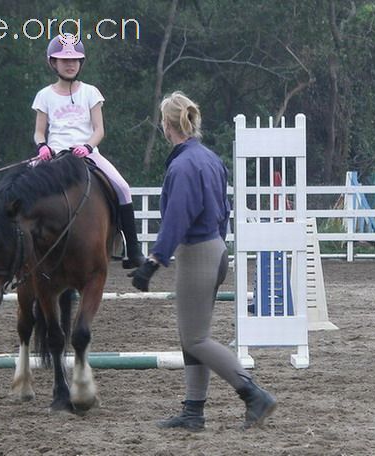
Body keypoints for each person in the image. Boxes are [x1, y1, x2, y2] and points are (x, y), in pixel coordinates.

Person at [129, 91, 277, 431]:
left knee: (196, 338)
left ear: (167, 125)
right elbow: (222, 210)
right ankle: (193, 412)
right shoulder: (209, 158)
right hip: (216, 248)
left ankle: (254, 394)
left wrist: (154, 260)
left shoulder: (182, 166)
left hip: (196, 253)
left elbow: (177, 218)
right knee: (191, 336)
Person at [31, 33, 144, 269]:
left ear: (81, 63)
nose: (70, 64)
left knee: (123, 187)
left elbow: (99, 129)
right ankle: (23, 246)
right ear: (53, 62)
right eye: (64, 60)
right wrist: (42, 147)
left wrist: (87, 146)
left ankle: (132, 250)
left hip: (87, 153)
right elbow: (39, 131)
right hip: (55, 156)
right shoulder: (44, 95)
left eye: (75, 60)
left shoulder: (90, 92)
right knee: (22, 187)